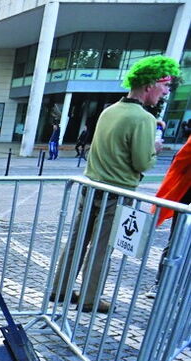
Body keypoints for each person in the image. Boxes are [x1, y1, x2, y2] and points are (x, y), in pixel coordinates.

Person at [51, 55, 180, 313]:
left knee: (77, 239)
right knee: (102, 246)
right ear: (150, 85)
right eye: (165, 85)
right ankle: (89, 298)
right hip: (117, 191)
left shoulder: (109, 111)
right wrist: (155, 147)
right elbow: (143, 162)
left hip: (92, 185)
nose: (166, 92)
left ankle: (61, 288)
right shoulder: (142, 118)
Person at [146, 136, 191, 298]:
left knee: (176, 240)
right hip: (186, 196)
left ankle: (164, 285)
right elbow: (180, 161)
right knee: (176, 240)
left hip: (185, 194)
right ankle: (161, 283)